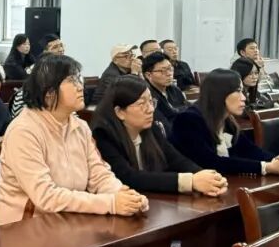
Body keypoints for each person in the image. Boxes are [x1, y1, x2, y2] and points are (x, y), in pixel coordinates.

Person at [0, 54, 148, 226]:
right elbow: (45, 196)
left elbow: (99, 175)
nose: (81, 87)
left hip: (67, 221)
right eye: (72, 81)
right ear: (49, 92)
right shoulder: (23, 131)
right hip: (23, 227)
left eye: (79, 79)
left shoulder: (80, 126)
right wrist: (110, 203)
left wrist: (124, 195)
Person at [92, 75, 227, 196]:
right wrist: (190, 181)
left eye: (151, 102)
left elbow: (175, 159)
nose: (150, 109)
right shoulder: (102, 135)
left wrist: (206, 177)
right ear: (120, 112)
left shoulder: (151, 128)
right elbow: (129, 178)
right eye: (141, 104)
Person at [169, 69, 279, 177]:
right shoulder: (188, 120)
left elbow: (248, 150)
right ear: (219, 93)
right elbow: (210, 162)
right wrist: (266, 167)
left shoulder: (226, 119)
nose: (244, 98)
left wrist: (278, 160)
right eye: (238, 91)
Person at [142, 51, 189, 134]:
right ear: (148, 75)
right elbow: (163, 124)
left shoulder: (174, 89)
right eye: (162, 71)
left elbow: (188, 108)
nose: (169, 74)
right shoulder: (147, 96)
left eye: (170, 69)